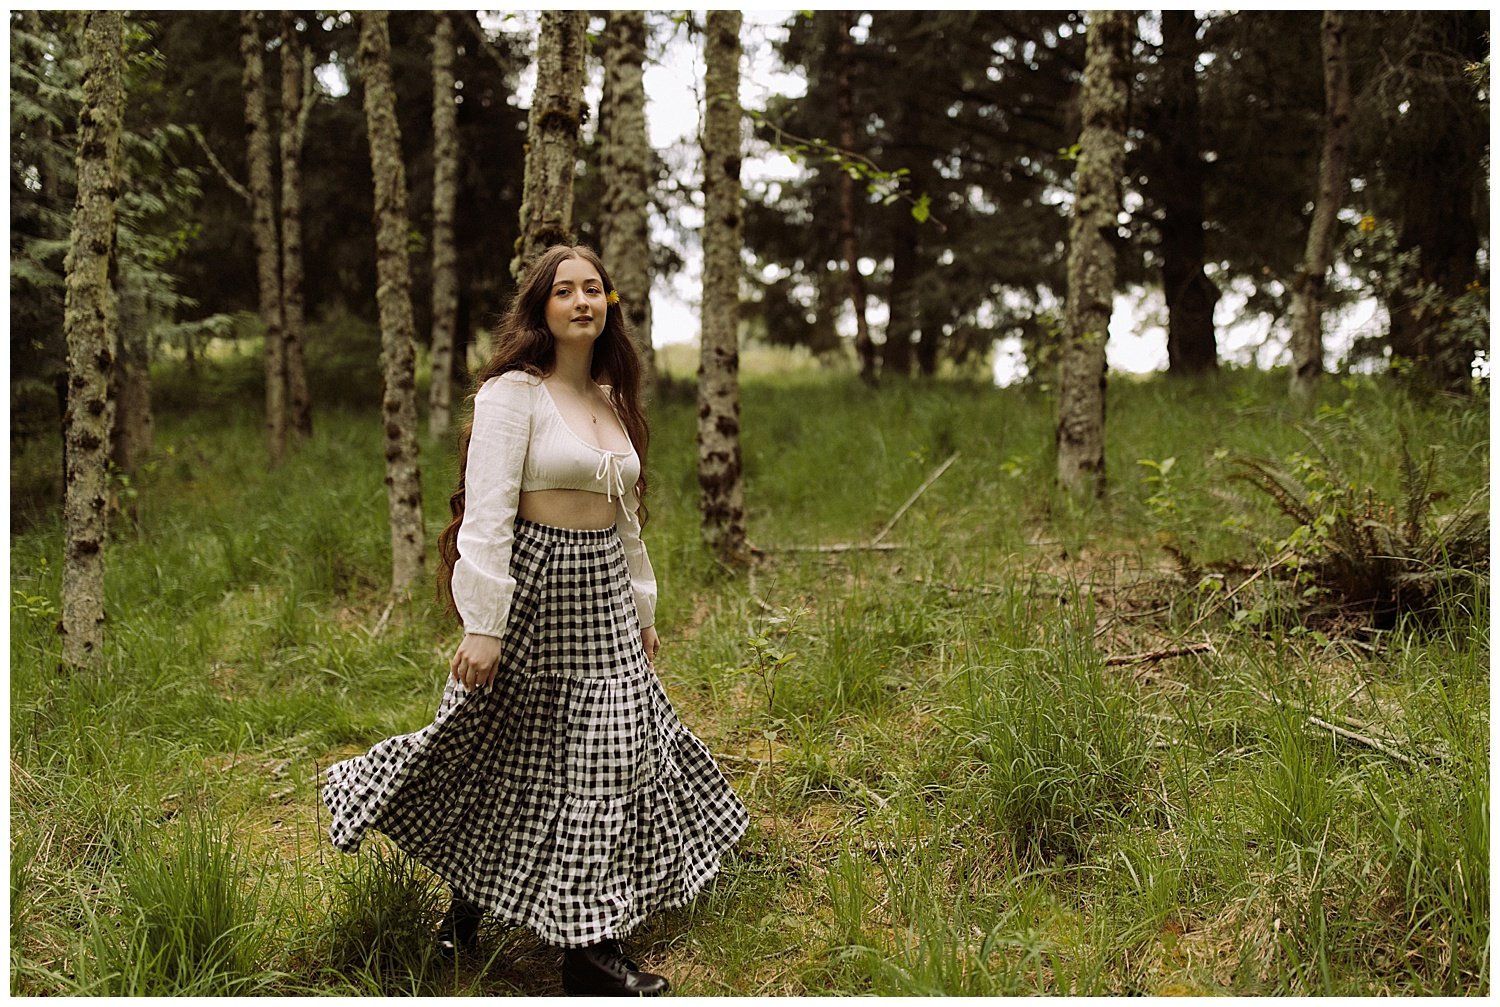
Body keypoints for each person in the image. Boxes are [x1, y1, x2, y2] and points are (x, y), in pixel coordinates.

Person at [322, 244, 749, 996]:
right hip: (534, 588)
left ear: (607, 305)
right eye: (564, 290)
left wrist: (641, 606)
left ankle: (587, 949)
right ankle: (475, 895)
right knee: (501, 745)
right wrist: (482, 622)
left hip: (603, 594)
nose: (582, 300)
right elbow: (487, 511)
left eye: (593, 289)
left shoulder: (613, 395)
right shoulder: (512, 393)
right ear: (541, 308)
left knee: (610, 757)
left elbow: (628, 520)